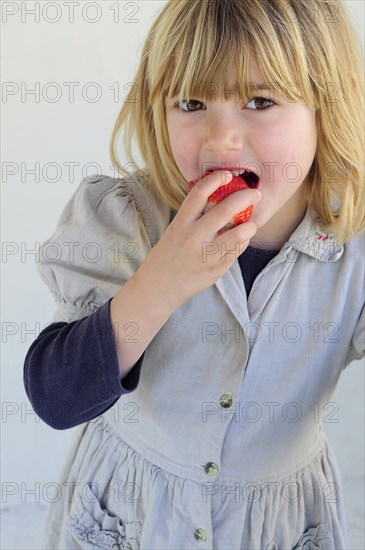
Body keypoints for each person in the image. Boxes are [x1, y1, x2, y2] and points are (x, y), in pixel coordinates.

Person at [23, 0, 364, 548]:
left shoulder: (354, 248)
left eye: (260, 100)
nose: (220, 139)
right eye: (191, 101)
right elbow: (55, 397)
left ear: (333, 103)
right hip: (130, 518)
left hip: (276, 527)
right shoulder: (126, 218)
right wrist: (161, 283)